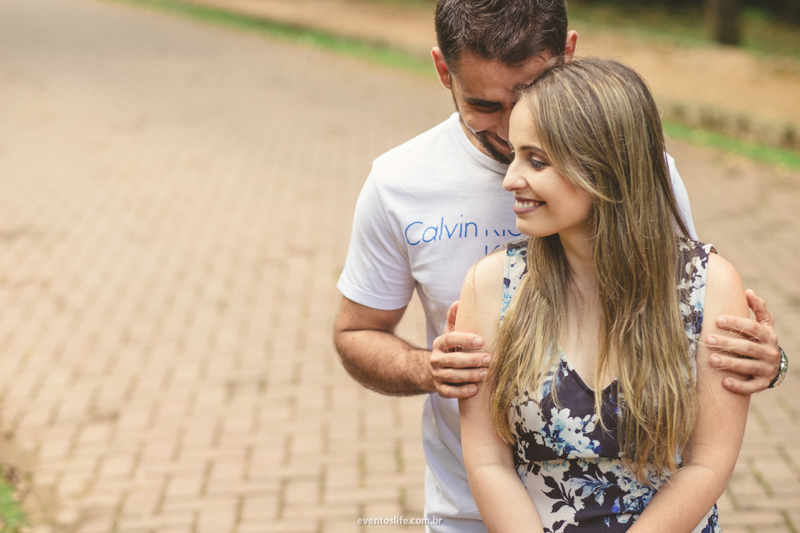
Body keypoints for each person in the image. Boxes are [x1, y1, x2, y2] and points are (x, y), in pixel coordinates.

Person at [334, 1, 785, 530]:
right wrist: (429, 370)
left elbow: (686, 320)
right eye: (484, 104)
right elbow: (357, 332)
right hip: (472, 510)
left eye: (530, 95)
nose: (507, 132)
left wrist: (765, 363)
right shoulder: (399, 186)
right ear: (443, 71)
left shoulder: (647, 172)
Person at [457, 57, 747, 533]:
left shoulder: (708, 286)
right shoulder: (492, 287)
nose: (511, 178)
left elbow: (708, 462)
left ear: (601, 167)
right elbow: (488, 460)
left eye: (536, 160)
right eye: (513, 155)